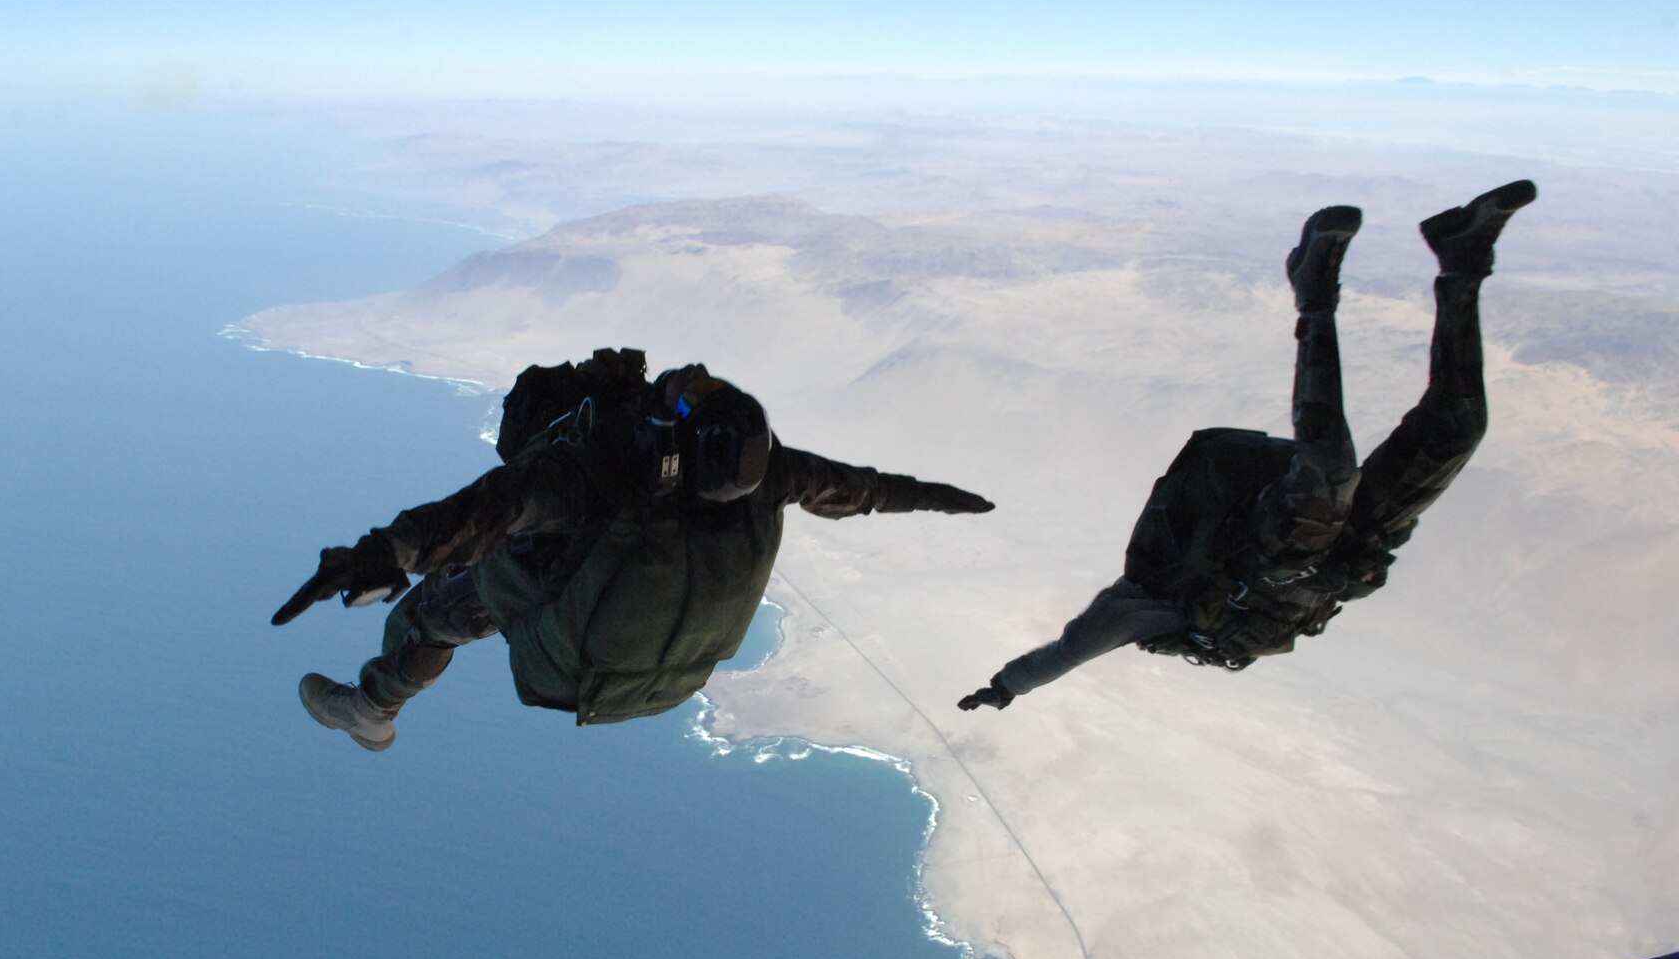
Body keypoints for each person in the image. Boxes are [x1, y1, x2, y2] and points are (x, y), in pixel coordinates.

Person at [959, 180, 1537, 710]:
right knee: (1456, 430)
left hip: (1279, 534)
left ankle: (1314, 293)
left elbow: (1069, 650)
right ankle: (1462, 261)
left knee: (1330, 473)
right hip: (1358, 537)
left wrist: (1006, 686)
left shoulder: (1153, 608)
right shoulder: (1262, 617)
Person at [272, 353, 993, 749]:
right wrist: (944, 496)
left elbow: (474, 519)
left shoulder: (592, 472)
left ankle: (372, 708)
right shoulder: (768, 473)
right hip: (675, 662)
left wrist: (379, 552)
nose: (691, 375)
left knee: (430, 615)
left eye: (692, 393)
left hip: (573, 646)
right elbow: (863, 490)